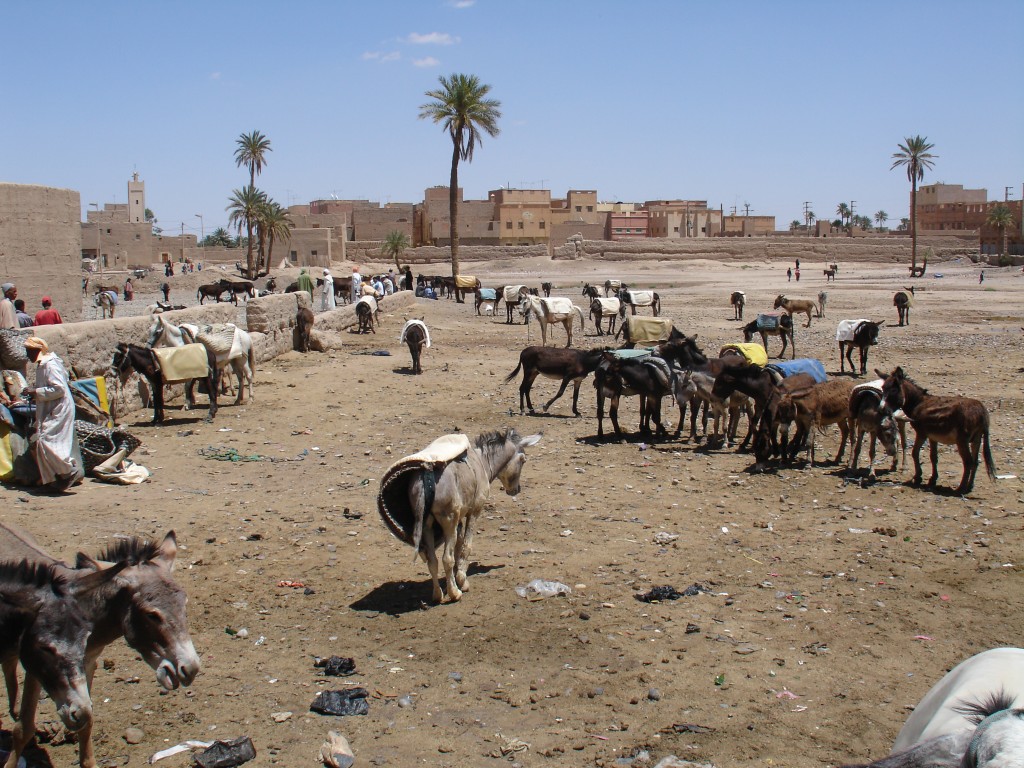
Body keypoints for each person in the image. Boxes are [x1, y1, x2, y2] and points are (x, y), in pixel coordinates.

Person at [22, 337, 80, 491]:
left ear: (37, 350)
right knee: (44, 441)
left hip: (59, 408)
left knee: (45, 440)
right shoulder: (42, 365)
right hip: (52, 408)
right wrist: (35, 393)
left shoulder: (50, 364)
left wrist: (36, 391)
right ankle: (54, 479)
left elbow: (59, 389)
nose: (27, 355)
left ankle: (68, 470)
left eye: (29, 351)